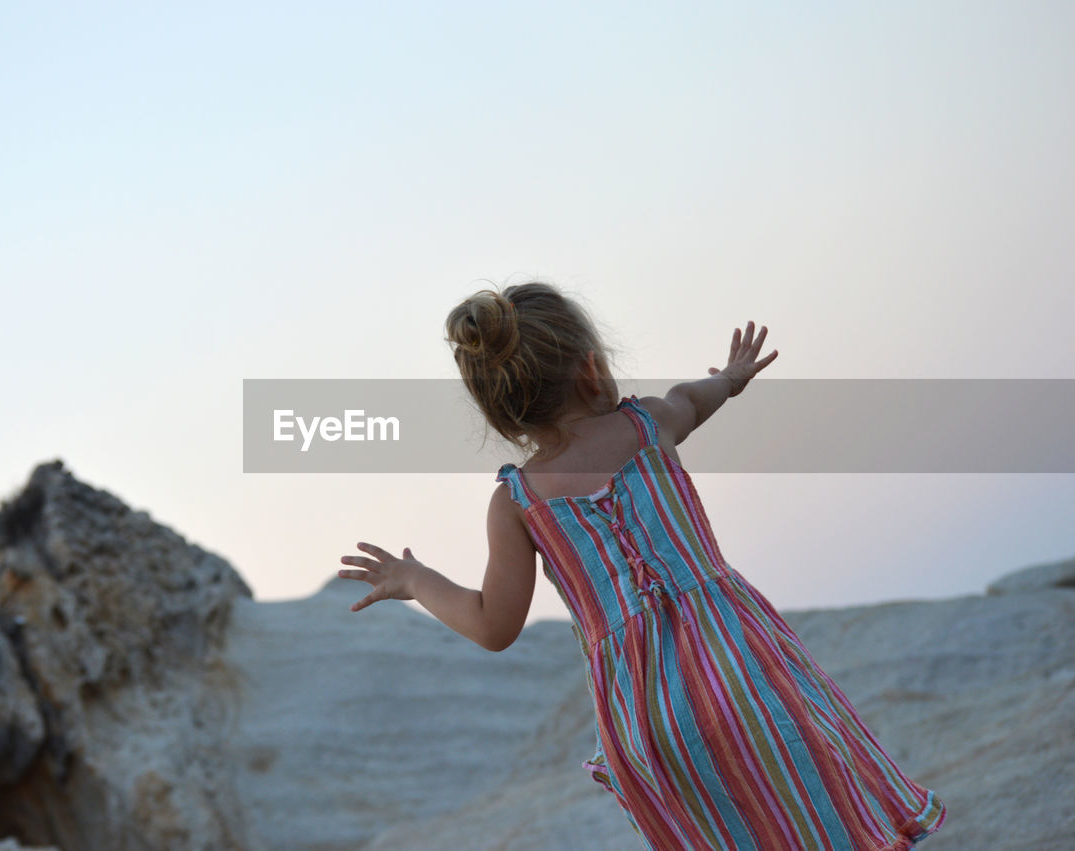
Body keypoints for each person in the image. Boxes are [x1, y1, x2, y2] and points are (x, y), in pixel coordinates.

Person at [338, 281, 948, 849]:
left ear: (502, 408)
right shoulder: (648, 423)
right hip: (740, 667)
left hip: (650, 716)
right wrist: (733, 377)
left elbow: (492, 625)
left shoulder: (517, 503)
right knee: (816, 809)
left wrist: (415, 579)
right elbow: (694, 397)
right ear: (590, 366)